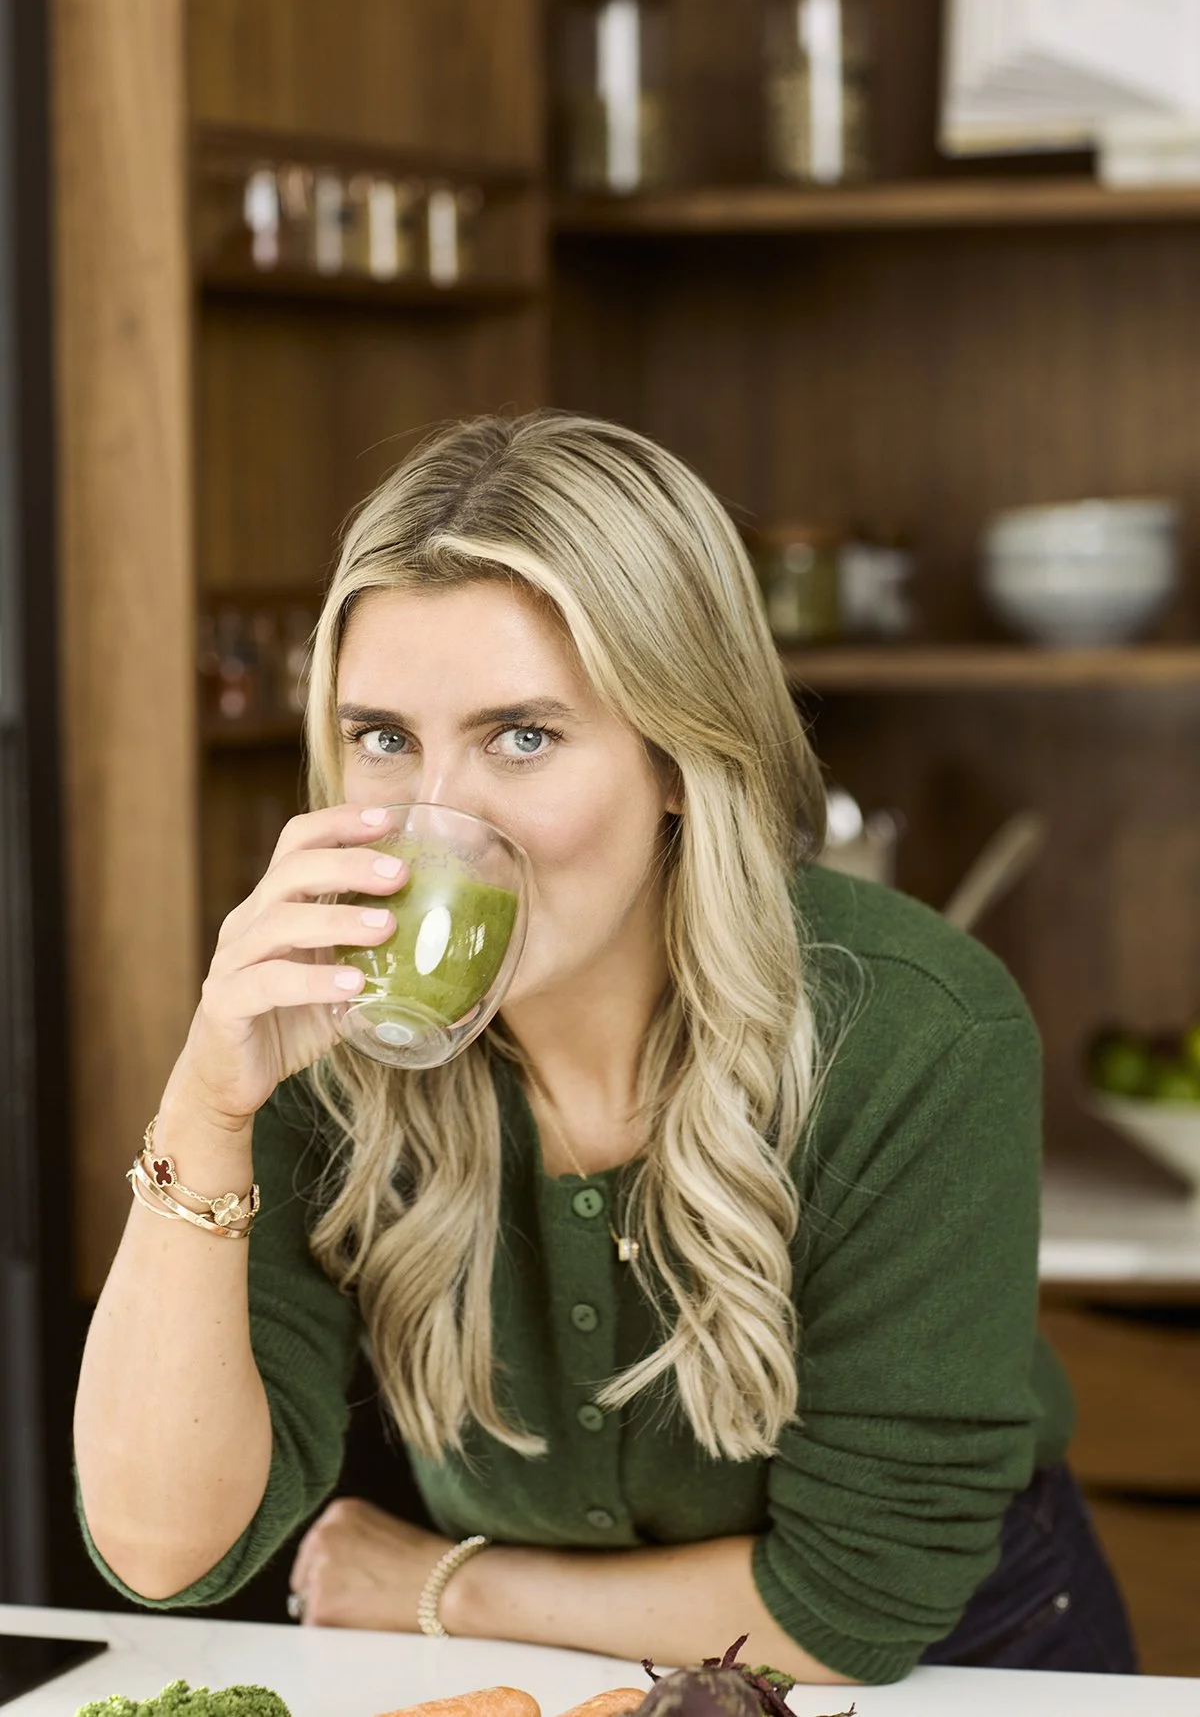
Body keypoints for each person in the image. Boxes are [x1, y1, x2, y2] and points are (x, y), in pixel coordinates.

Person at [74, 413, 1136, 1686]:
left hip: (969, 1669)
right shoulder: (325, 1030)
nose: (438, 820)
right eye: (385, 737)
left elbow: (853, 1611)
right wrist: (206, 1101)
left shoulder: (918, 1030)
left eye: (523, 735)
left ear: (682, 757)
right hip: (561, 1679)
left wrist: (442, 1584)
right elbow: (160, 1550)